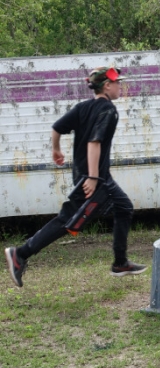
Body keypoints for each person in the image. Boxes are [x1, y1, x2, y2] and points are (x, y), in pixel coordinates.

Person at [5, 67, 147, 288]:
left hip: (96, 177)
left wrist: (56, 150)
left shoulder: (83, 107)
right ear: (107, 86)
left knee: (124, 208)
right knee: (67, 221)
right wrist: (93, 177)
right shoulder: (107, 110)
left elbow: (57, 128)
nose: (121, 86)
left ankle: (120, 262)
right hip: (94, 179)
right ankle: (20, 254)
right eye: (118, 83)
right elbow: (94, 142)